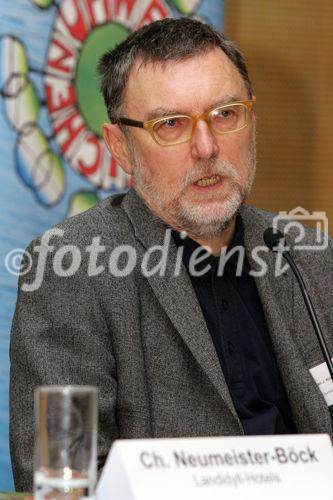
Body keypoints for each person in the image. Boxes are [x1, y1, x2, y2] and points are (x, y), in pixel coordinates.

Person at [10, 17, 333, 492]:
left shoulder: (310, 258)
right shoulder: (69, 268)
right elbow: (63, 480)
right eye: (171, 125)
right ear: (120, 146)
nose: (206, 147)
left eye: (225, 114)